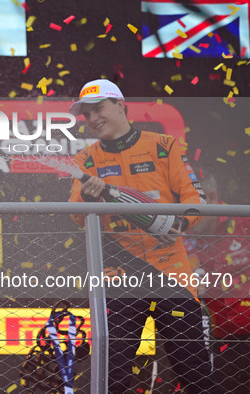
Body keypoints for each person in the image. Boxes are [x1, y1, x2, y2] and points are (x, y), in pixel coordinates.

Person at [68, 79, 221, 393]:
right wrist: (89, 196)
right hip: (118, 275)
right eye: (87, 114)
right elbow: (77, 215)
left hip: (172, 273)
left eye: (99, 109)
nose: (93, 119)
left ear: (121, 105)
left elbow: (196, 199)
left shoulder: (164, 145)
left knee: (195, 374)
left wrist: (182, 223)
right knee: (111, 377)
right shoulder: (86, 160)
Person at [185, 171, 250, 394]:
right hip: (223, 339)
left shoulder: (244, 221)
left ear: (210, 197)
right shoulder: (181, 236)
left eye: (190, 206)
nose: (187, 216)